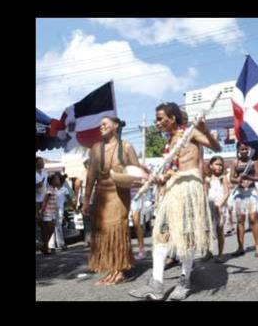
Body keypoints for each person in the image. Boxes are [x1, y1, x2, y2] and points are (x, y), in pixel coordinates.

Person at [129, 102, 221, 301]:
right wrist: (160, 178)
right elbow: (172, 170)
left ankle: (184, 280)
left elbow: (216, 146)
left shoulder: (190, 133)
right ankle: (156, 285)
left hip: (189, 188)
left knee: (185, 236)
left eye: (160, 118)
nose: (157, 122)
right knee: (161, 234)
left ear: (172, 119)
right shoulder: (170, 142)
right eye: (156, 119)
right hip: (172, 190)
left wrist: (205, 130)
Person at [82, 116, 147, 286]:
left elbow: (137, 173)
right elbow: (90, 177)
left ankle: (118, 270)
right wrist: (86, 200)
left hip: (119, 194)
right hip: (101, 196)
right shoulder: (96, 148)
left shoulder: (126, 147)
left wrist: (131, 179)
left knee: (116, 231)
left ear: (115, 126)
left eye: (105, 124)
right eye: (100, 125)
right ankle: (112, 268)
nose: (101, 127)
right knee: (104, 232)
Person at [229, 142, 258, 255]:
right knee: (240, 220)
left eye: (245, 149)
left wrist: (248, 177)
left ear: (249, 150)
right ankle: (240, 247)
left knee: (253, 219)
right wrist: (238, 180)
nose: (244, 151)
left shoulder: (254, 162)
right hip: (240, 193)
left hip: (251, 193)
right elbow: (231, 179)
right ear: (238, 150)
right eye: (241, 149)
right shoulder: (235, 162)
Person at [206, 155, 231, 262]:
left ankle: (220, 253)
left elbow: (227, 193)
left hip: (220, 206)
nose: (219, 167)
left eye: (221, 165)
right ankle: (209, 252)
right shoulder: (207, 178)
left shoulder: (223, 178)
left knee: (220, 230)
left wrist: (220, 205)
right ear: (211, 166)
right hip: (209, 206)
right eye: (217, 164)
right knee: (208, 229)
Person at [36, 157, 48, 244]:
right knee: (37, 220)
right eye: (41, 162)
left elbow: (47, 185)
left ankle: (44, 242)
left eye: (43, 162)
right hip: (36, 201)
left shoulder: (45, 173)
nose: (43, 163)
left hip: (44, 200)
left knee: (45, 221)